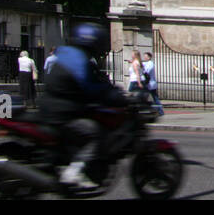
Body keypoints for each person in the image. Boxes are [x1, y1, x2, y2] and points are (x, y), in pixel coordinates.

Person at [38, 22, 128, 192]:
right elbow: (90, 87)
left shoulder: (65, 52)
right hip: (61, 112)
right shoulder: (79, 60)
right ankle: (74, 173)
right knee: (94, 133)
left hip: (51, 106)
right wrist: (112, 94)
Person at [140, 50, 164, 116]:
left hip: (150, 83)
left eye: (146, 56)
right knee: (148, 97)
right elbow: (140, 64)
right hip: (148, 83)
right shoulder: (146, 63)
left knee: (154, 98)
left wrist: (143, 71)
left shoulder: (151, 63)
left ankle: (160, 111)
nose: (144, 57)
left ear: (149, 57)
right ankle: (152, 110)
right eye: (144, 56)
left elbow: (147, 71)